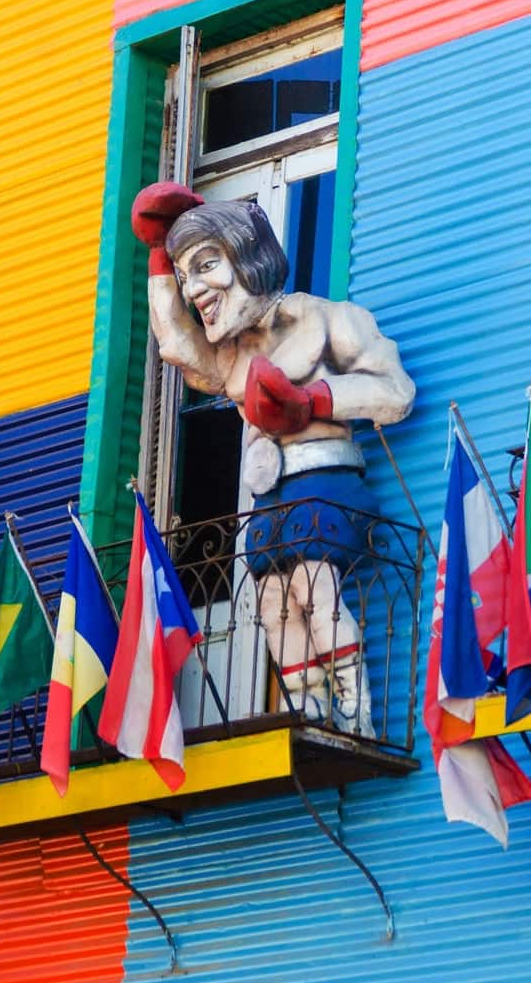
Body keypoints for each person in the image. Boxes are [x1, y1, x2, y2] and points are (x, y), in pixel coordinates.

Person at [131, 186, 414, 734]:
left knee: (315, 587)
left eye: (206, 266)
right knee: (273, 605)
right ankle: (306, 706)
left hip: (326, 476)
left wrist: (314, 401)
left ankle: (355, 710)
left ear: (248, 256)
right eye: (188, 278)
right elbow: (174, 342)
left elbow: (396, 393)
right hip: (268, 493)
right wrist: (160, 255)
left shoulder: (333, 319)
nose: (195, 291)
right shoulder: (229, 356)